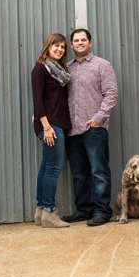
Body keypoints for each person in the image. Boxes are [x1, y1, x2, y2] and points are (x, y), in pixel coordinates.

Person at [62, 29, 118, 227]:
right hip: (71, 130)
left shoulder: (102, 65)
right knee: (79, 174)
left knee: (99, 172)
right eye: (76, 40)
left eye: (83, 40)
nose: (80, 43)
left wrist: (98, 118)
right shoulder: (66, 68)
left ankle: (102, 211)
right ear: (71, 44)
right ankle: (84, 210)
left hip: (94, 128)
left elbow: (111, 94)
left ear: (90, 42)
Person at [31, 33, 72, 228]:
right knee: (53, 168)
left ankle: (40, 212)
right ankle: (49, 211)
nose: (59, 49)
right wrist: (46, 126)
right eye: (56, 46)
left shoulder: (59, 71)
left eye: (62, 47)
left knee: (46, 167)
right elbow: (37, 100)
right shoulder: (40, 69)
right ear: (48, 47)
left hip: (55, 123)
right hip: (51, 126)